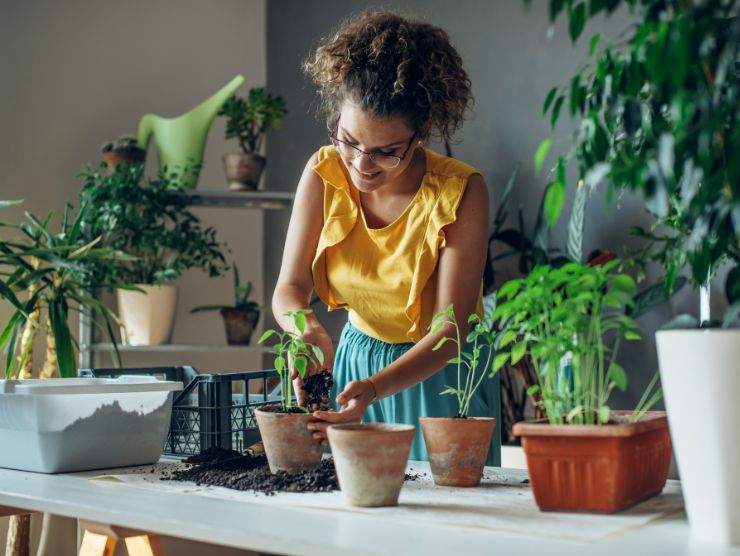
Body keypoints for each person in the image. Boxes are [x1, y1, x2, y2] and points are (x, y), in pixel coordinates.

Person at [272, 10, 499, 460]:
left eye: (385, 152)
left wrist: (376, 388)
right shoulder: (323, 174)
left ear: (422, 134)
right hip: (354, 364)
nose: (360, 165)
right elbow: (290, 289)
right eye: (349, 139)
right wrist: (308, 328)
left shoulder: (460, 192)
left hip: (438, 378)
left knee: (445, 523)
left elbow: (450, 332)